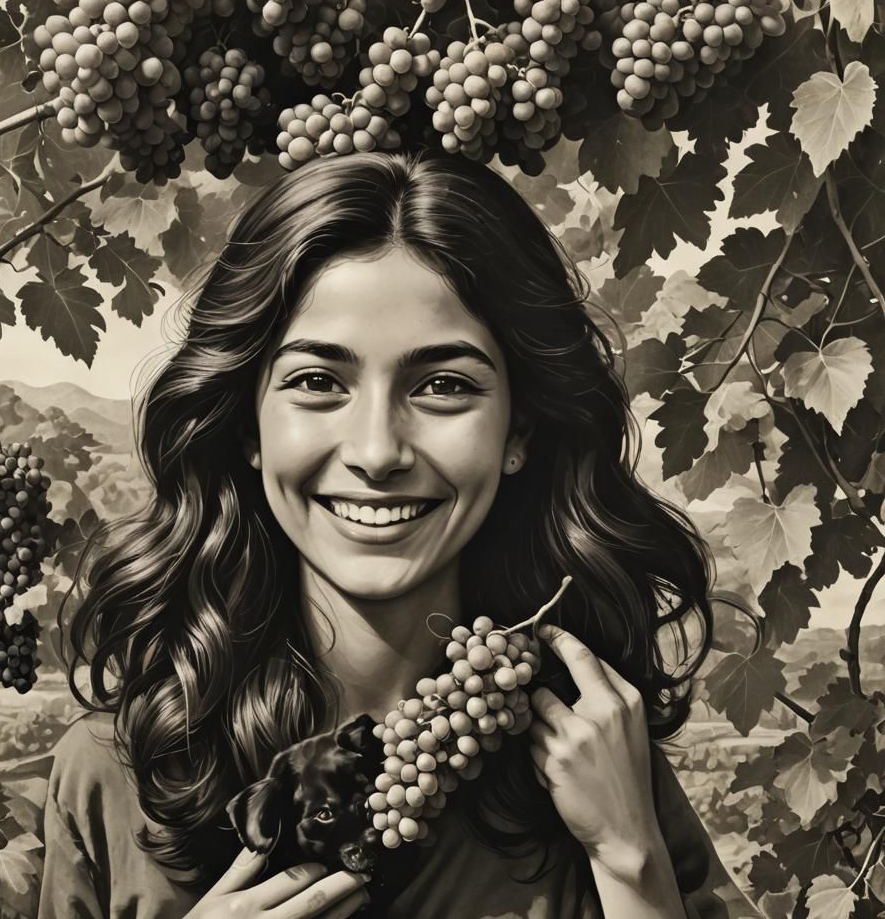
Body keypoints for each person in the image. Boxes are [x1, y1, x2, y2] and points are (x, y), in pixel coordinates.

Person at [39, 150, 763, 919]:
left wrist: (631, 862)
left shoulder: (602, 764)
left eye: (444, 385)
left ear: (518, 430)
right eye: (317, 382)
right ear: (247, 423)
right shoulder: (111, 776)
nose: (378, 451)